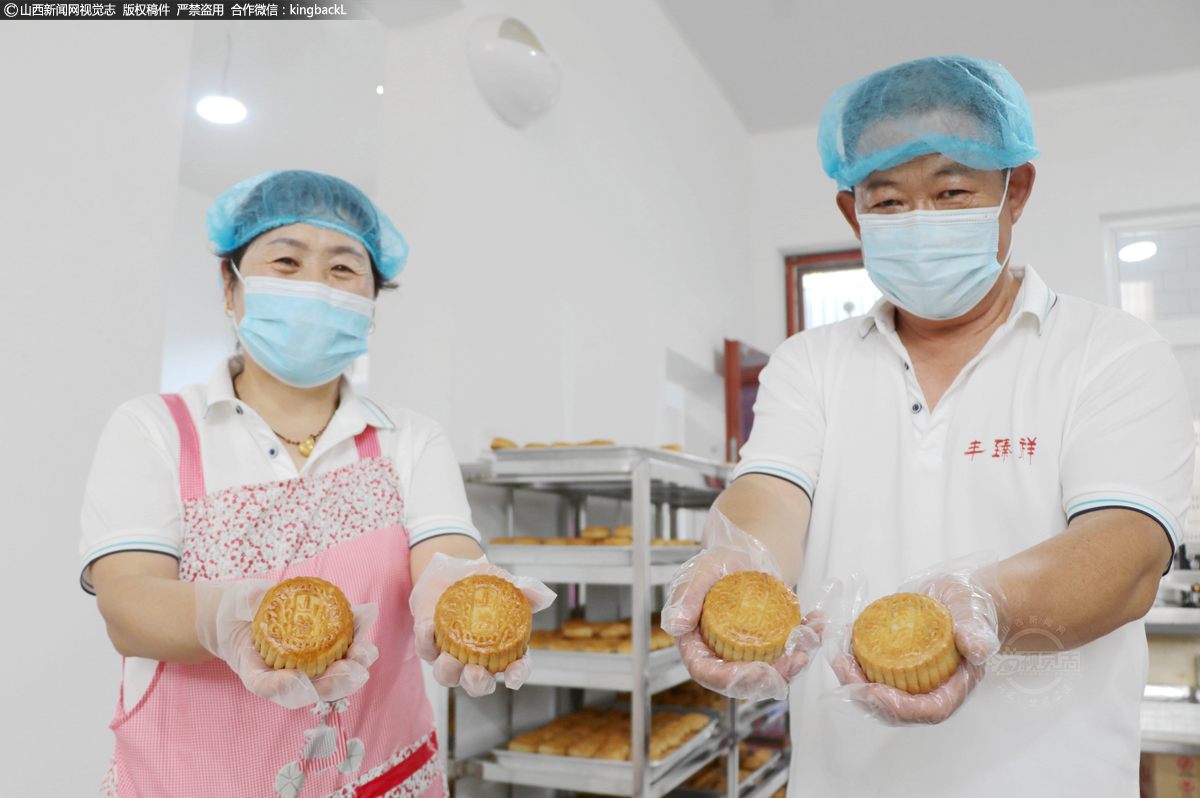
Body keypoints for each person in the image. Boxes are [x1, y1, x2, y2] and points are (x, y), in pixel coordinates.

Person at [664, 56, 1195, 796]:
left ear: (1016, 191)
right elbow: (773, 491)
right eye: (888, 203)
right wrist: (739, 559)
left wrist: (989, 605)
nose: (922, 222)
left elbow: (1129, 553)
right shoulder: (812, 362)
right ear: (853, 213)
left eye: (952, 192)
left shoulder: (1109, 352)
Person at [79, 170, 552, 798]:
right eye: (286, 260)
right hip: (185, 778)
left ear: (372, 299)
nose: (315, 286)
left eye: (343, 270)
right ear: (231, 285)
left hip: (382, 776)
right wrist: (225, 617)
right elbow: (127, 603)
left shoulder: (410, 439)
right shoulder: (155, 428)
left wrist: (459, 588)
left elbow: (446, 555)